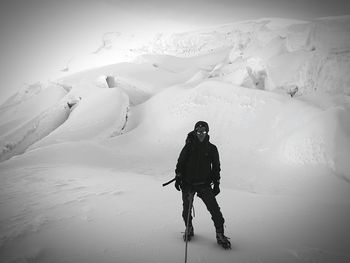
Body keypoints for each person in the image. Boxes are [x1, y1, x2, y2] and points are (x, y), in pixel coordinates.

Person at [174, 121, 231, 249]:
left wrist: (216, 183)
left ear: (207, 132)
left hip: (204, 185)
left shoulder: (212, 149)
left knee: (215, 211)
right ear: (195, 132)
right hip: (188, 184)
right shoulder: (188, 147)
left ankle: (220, 234)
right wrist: (178, 177)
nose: (201, 134)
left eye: (203, 131)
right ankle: (189, 228)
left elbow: (216, 167)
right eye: (198, 131)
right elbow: (180, 163)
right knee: (186, 210)